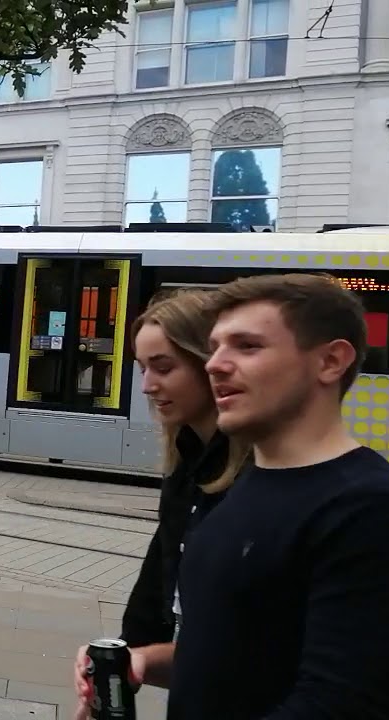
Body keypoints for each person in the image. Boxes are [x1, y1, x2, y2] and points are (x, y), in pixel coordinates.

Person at [79, 273, 389, 719]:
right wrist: (143, 661)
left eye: (247, 346)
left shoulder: (378, 510)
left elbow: (341, 704)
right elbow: (231, 653)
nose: (215, 364)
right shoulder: (242, 489)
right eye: (215, 348)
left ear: (331, 361)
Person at [71, 289, 251, 718]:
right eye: (143, 369)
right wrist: (115, 672)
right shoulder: (185, 462)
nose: (148, 386)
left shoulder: (256, 476)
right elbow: (159, 583)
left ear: (209, 364)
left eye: (164, 367)